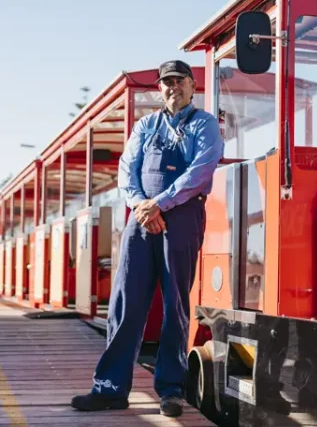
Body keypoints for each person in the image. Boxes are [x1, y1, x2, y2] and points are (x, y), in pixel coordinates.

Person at [71, 60, 224, 417]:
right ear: (160, 89)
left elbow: (201, 170)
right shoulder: (145, 125)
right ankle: (109, 387)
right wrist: (142, 205)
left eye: (180, 81)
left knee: (175, 306)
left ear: (192, 86)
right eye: (167, 82)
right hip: (141, 222)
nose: (173, 87)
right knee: (126, 303)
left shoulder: (205, 125)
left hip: (182, 219)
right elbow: (128, 169)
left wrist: (160, 203)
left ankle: (171, 391)